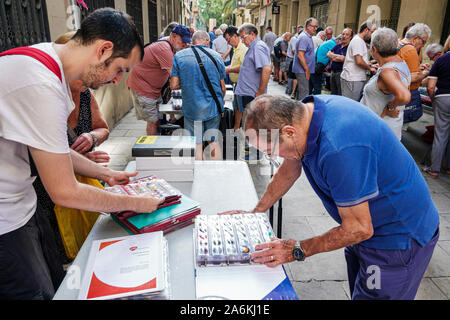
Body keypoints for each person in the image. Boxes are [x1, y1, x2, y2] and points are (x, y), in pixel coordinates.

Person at [0, 8, 164, 300]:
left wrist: (107, 174)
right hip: (6, 222)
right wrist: (134, 203)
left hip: (22, 206)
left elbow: (55, 150)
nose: (117, 81)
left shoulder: (46, 66)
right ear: (103, 49)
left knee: (55, 285)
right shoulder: (41, 83)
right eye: (119, 70)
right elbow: (65, 191)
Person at [234, 94, 439, 300]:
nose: (272, 157)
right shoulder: (305, 115)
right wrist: (256, 212)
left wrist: (297, 249)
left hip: (397, 238)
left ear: (288, 132)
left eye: (270, 150)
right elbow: (289, 169)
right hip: (363, 227)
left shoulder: (339, 148)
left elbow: (358, 228)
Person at [170, 31, 226, 161]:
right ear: (207, 41)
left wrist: (188, 83)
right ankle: (216, 171)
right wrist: (220, 99)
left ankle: (199, 173)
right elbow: (222, 86)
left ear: (193, 41)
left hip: (191, 108)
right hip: (212, 108)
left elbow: (173, 85)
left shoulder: (179, 56)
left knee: (196, 143)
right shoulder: (217, 57)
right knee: (213, 141)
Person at [127, 24, 191, 135]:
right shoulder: (164, 48)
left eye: (186, 42)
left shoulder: (171, 43)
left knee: (158, 119)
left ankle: (157, 143)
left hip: (154, 89)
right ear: (174, 36)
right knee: (153, 121)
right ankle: (153, 148)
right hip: (143, 87)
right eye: (183, 42)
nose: (185, 45)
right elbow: (176, 77)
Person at [360, 28, 411, 140]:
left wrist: (390, 108)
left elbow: (404, 96)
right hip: (389, 128)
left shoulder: (388, 71)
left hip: (379, 131)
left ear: (374, 49)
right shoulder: (399, 62)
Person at [422, 49, 450, 178]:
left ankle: (434, 169)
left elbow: (430, 87)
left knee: (441, 135)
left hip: (443, 98)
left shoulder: (441, 60)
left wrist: (434, 100)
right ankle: (448, 167)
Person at [397, 23, 432, 123]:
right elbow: (413, 77)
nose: (423, 45)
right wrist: (425, 73)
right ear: (416, 38)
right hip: (406, 91)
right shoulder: (410, 49)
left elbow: (403, 68)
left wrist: (418, 68)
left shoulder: (399, 43)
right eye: (423, 42)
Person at [235, 23, 271, 107]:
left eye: (243, 37)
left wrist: (260, 92)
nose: (242, 41)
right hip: (249, 93)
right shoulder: (253, 47)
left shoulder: (258, 47)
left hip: (253, 95)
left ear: (252, 34)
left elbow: (266, 69)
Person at [340, 21, 377, 101]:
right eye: (372, 32)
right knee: (350, 106)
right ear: (366, 30)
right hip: (352, 79)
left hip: (354, 79)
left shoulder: (359, 40)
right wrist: (369, 68)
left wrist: (370, 65)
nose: (372, 35)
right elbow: (359, 61)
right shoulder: (358, 41)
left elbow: (358, 60)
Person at [224, 26, 248, 132]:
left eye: (228, 40)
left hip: (242, 84)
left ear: (235, 36)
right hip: (237, 84)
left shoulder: (243, 48)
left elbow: (244, 67)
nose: (228, 43)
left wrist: (229, 70)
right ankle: (236, 128)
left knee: (243, 108)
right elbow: (235, 64)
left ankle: (244, 130)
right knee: (237, 108)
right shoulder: (236, 48)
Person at [293, 18, 318, 101]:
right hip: (302, 70)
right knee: (304, 92)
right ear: (308, 26)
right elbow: (300, 55)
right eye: (314, 27)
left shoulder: (308, 36)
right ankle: (301, 112)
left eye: (316, 27)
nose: (315, 29)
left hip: (303, 70)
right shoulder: (304, 37)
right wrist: (307, 69)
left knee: (302, 91)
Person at [327, 28, 353, 95]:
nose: (344, 36)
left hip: (341, 73)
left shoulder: (349, 47)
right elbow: (328, 54)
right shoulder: (337, 46)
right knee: (333, 92)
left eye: (347, 35)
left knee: (340, 93)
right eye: (343, 34)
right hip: (333, 72)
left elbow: (343, 59)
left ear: (350, 37)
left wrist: (333, 56)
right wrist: (337, 57)